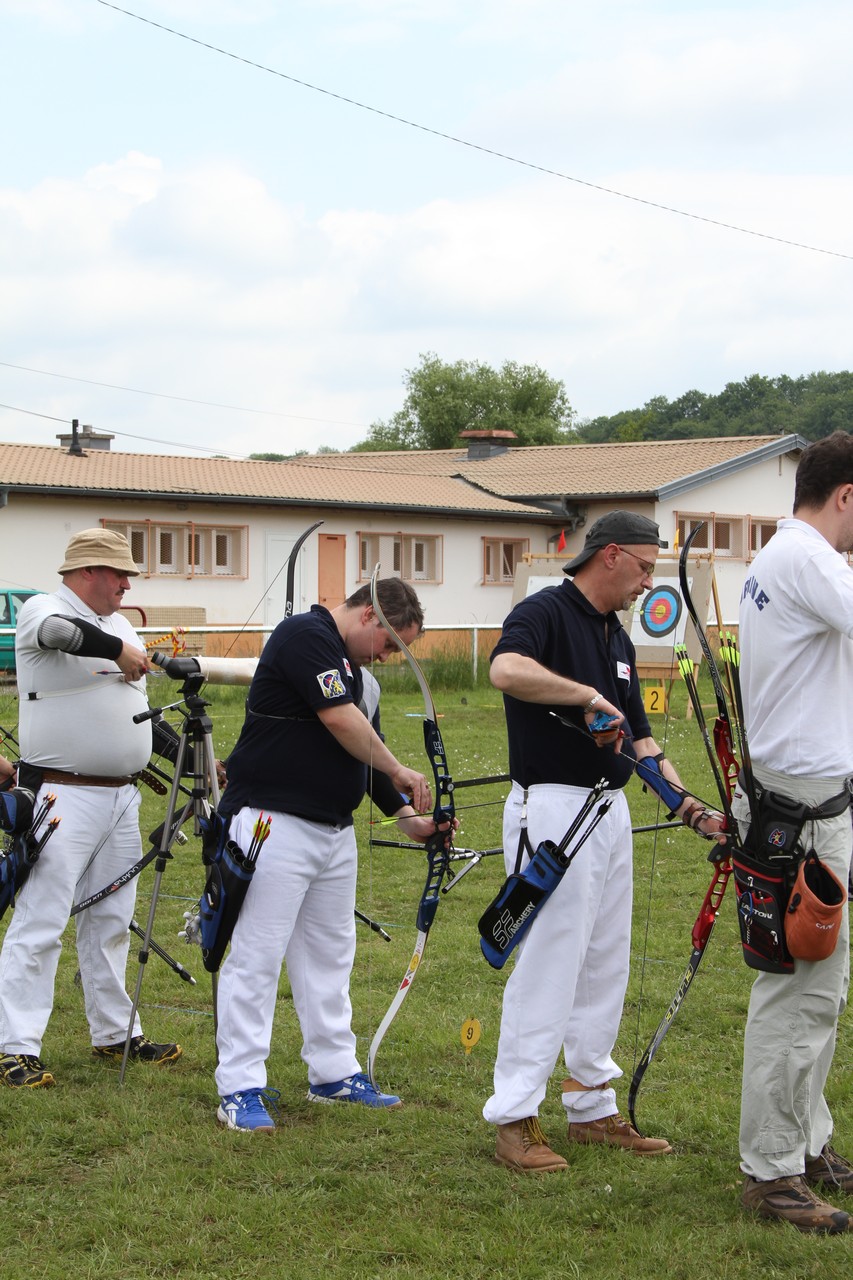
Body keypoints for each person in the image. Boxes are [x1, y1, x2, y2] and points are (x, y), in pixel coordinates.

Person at [483, 510, 725, 1171]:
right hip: (553, 812)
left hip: (607, 810)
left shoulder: (615, 637)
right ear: (609, 555)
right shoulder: (546, 614)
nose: (649, 582)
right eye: (645, 567)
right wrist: (581, 692)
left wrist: (689, 807)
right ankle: (515, 1117)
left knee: (602, 963)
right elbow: (504, 671)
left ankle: (590, 1105)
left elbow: (640, 740)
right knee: (549, 962)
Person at [213, 577, 447, 1133]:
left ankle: (334, 1073)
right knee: (257, 956)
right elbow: (340, 720)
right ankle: (240, 1086)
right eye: (390, 645)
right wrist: (401, 769)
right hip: (273, 822)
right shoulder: (304, 635)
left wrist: (410, 821)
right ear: (369, 615)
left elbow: (364, 755)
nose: (390, 658)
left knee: (330, 955)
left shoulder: (361, 680)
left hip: (333, 833)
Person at [0, 529, 181, 1090]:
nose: (128, 584)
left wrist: (193, 761)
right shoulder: (42, 609)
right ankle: (13, 1047)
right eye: (119, 574)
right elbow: (59, 634)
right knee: (42, 921)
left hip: (119, 795)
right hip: (61, 794)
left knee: (110, 921)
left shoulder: (121, 625)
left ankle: (114, 1033)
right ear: (86, 573)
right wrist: (117, 650)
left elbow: (139, 711)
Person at [735, 431, 853, 1234]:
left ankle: (804, 1144)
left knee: (820, 988)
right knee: (798, 992)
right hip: (802, 808)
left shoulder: (784, 556)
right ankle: (771, 1168)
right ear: (846, 496)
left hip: (802, 799)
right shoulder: (810, 560)